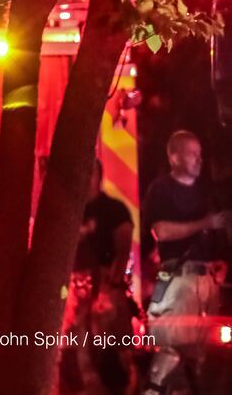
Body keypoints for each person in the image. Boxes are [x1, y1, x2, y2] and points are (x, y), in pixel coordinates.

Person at [142, 130, 231, 395]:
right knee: (171, 349)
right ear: (174, 156)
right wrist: (206, 223)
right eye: (192, 153)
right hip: (177, 280)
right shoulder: (161, 190)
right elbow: (162, 231)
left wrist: (221, 263)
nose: (198, 159)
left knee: (202, 358)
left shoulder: (206, 195)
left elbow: (217, 238)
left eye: (200, 154)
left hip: (207, 283)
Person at [59, 159, 137, 395]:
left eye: (90, 173)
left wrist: (112, 286)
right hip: (73, 294)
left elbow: (123, 248)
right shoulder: (67, 212)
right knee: (74, 352)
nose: (85, 178)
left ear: (99, 177)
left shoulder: (114, 210)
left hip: (105, 289)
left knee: (112, 351)